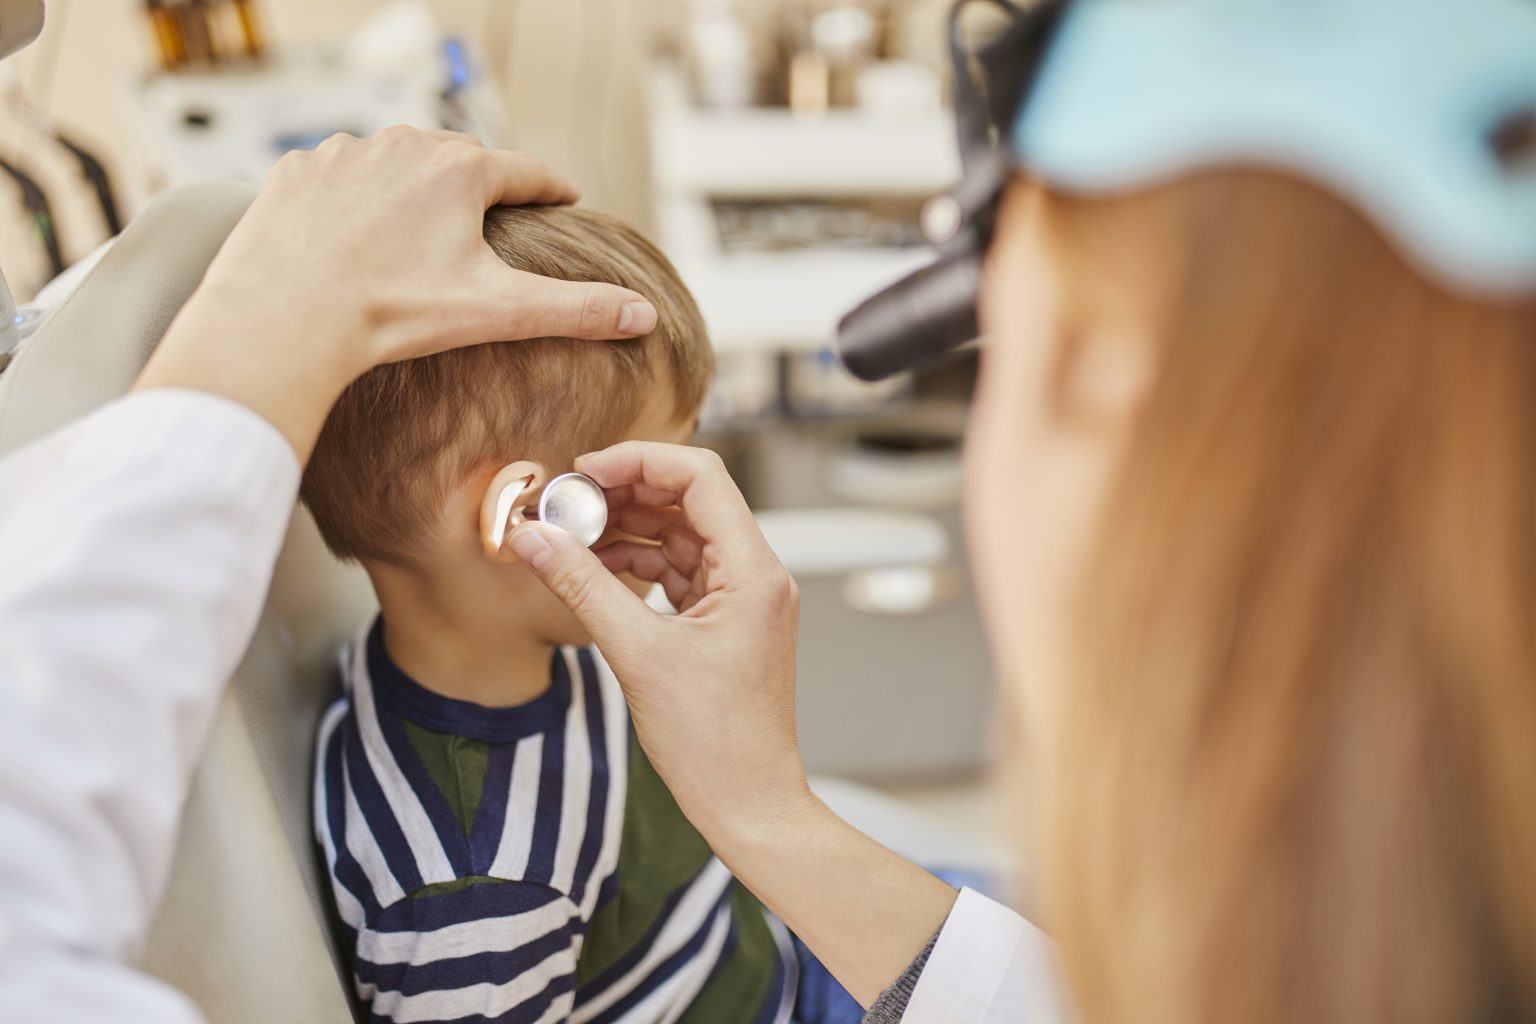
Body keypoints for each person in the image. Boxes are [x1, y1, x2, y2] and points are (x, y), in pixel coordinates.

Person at [301, 204, 856, 1022]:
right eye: (656, 463)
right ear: (528, 518)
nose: (690, 494)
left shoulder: (513, 645)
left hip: (781, 952)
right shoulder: (478, 893)